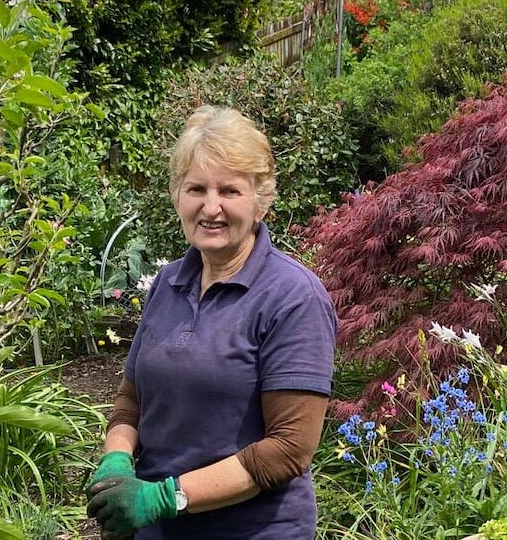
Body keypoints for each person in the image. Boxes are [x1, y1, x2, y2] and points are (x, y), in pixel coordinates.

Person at [86, 106, 337, 539]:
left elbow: (289, 449)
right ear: (177, 197)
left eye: (230, 191)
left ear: (261, 201)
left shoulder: (292, 296)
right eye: (196, 188)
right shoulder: (169, 282)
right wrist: (116, 462)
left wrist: (164, 498)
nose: (211, 207)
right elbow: (132, 401)